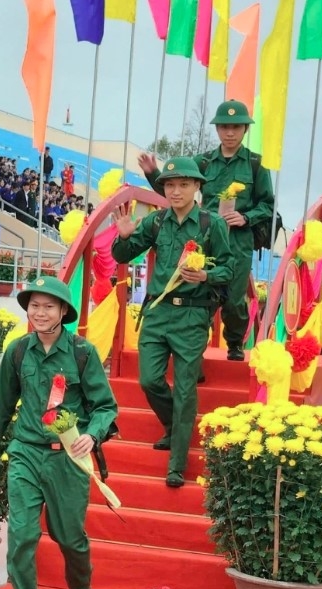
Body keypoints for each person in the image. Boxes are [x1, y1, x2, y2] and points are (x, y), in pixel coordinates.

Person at [0, 277, 119, 589]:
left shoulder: (83, 353)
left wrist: (91, 433)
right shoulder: (19, 352)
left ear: (64, 312)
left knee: (69, 536)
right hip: (25, 453)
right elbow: (0, 408)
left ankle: (80, 583)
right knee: (21, 534)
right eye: (34, 305)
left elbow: (106, 406)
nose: (40, 312)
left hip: (68, 458)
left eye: (48, 306)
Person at [112, 157, 234, 487]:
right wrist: (124, 237)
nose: (175, 191)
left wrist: (207, 274)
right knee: (149, 380)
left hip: (192, 315)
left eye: (183, 184)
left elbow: (230, 269)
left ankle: (176, 464)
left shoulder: (212, 225)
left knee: (184, 389)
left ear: (197, 187)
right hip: (157, 312)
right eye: (169, 185)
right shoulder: (156, 222)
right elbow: (123, 255)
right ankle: (173, 426)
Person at [138, 100, 274, 361]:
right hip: (204, 237)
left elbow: (268, 205)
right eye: (224, 127)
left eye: (236, 127)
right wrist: (152, 173)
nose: (230, 133)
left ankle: (234, 342)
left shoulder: (256, 165)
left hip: (238, 240)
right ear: (217, 130)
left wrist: (245, 217)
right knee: (198, 295)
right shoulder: (203, 162)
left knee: (234, 298)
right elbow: (175, 192)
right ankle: (193, 353)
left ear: (245, 129)